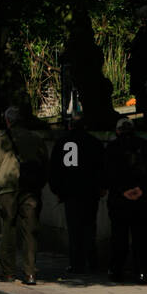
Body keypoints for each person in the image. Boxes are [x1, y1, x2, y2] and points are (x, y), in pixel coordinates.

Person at [0, 105, 47, 285]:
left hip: (8, 191)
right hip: (30, 189)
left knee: (8, 230)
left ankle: (8, 272)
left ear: (8, 121)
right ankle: (30, 273)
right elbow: (44, 162)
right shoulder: (36, 139)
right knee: (30, 231)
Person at [48, 114, 106, 275]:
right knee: (89, 227)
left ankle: (76, 263)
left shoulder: (62, 143)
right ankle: (92, 261)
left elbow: (54, 168)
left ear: (70, 126)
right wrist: (102, 187)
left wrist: (58, 190)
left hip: (70, 192)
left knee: (74, 229)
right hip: (90, 191)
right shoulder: (94, 143)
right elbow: (102, 167)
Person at [105, 117, 147, 283]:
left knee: (118, 236)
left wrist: (123, 190)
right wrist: (141, 189)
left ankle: (116, 271)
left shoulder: (112, 148)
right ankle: (143, 272)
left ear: (118, 131)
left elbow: (107, 172)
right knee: (142, 237)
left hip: (119, 200)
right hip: (143, 200)